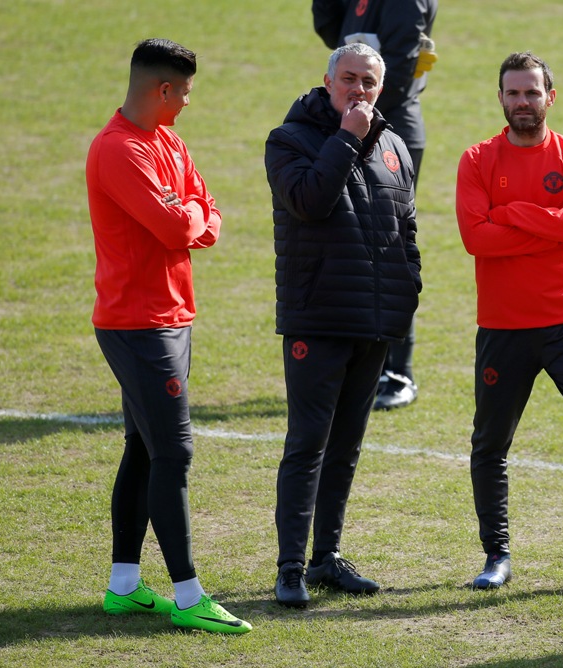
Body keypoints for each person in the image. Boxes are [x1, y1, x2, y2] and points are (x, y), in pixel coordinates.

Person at [85, 38, 251, 634]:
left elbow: (205, 212)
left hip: (171, 318)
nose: (186, 101)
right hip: (138, 325)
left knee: (143, 447)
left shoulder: (168, 140)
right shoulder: (117, 151)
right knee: (173, 453)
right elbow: (177, 222)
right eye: (183, 91)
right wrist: (190, 218)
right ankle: (188, 596)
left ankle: (124, 588)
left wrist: (191, 218)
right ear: (162, 89)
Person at [455, 52, 563, 596]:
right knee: (490, 444)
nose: (522, 103)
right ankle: (497, 555)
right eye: (513, 93)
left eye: (532, 93)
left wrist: (510, 213)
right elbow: (476, 238)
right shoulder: (477, 160)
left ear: (551, 96)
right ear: (500, 98)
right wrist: (549, 227)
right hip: (502, 327)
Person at [265, 42, 421, 607]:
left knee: (347, 446)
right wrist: (348, 137)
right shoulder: (290, 141)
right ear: (327, 83)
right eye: (349, 80)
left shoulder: (395, 146)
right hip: (318, 319)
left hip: (374, 323)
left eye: (370, 83)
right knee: (308, 442)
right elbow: (310, 200)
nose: (359, 91)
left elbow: (406, 230)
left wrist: (408, 295)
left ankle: (326, 557)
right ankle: (289, 568)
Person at [312, 0, 438, 410]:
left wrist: (366, 122)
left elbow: (395, 67)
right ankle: (346, 361)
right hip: (350, 125)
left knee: (388, 247)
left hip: (388, 127)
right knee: (344, 241)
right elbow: (331, 29)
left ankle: (396, 371)